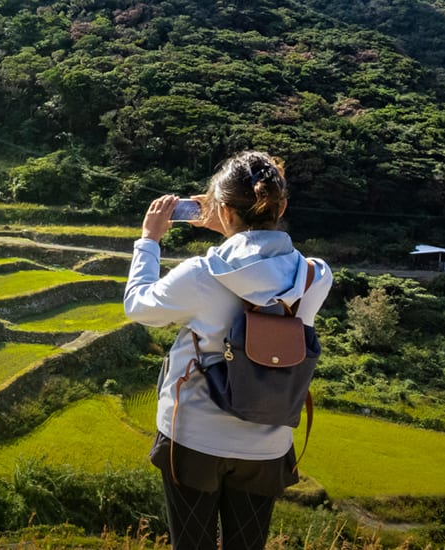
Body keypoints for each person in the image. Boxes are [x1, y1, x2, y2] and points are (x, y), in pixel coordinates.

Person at [124, 151, 333, 550]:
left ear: (221, 209)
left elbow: (138, 306)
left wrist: (149, 241)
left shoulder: (200, 275)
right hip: (268, 444)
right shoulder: (314, 277)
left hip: (194, 438)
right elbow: (262, 270)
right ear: (282, 206)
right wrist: (231, 227)